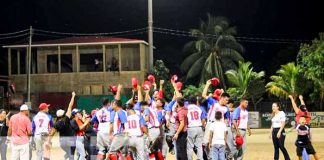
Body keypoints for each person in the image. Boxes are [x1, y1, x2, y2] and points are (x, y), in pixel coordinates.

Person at [52, 91, 76, 160]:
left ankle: (67, 154)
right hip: (70, 140)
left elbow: (52, 132)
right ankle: (68, 155)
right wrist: (73, 96)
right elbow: (70, 106)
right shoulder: (66, 118)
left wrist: (48, 140)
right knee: (71, 155)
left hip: (62, 142)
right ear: (63, 114)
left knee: (69, 153)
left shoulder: (56, 123)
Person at [107, 84, 128, 160]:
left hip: (119, 134)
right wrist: (118, 91)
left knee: (112, 152)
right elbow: (117, 100)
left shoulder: (117, 111)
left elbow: (117, 100)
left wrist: (110, 134)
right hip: (121, 134)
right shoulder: (118, 110)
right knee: (123, 154)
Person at [186, 95, 206, 160]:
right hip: (199, 127)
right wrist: (201, 125)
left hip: (190, 128)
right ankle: (201, 158)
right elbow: (203, 119)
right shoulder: (199, 108)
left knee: (190, 147)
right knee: (199, 146)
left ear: (188, 101)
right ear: (195, 101)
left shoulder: (186, 108)